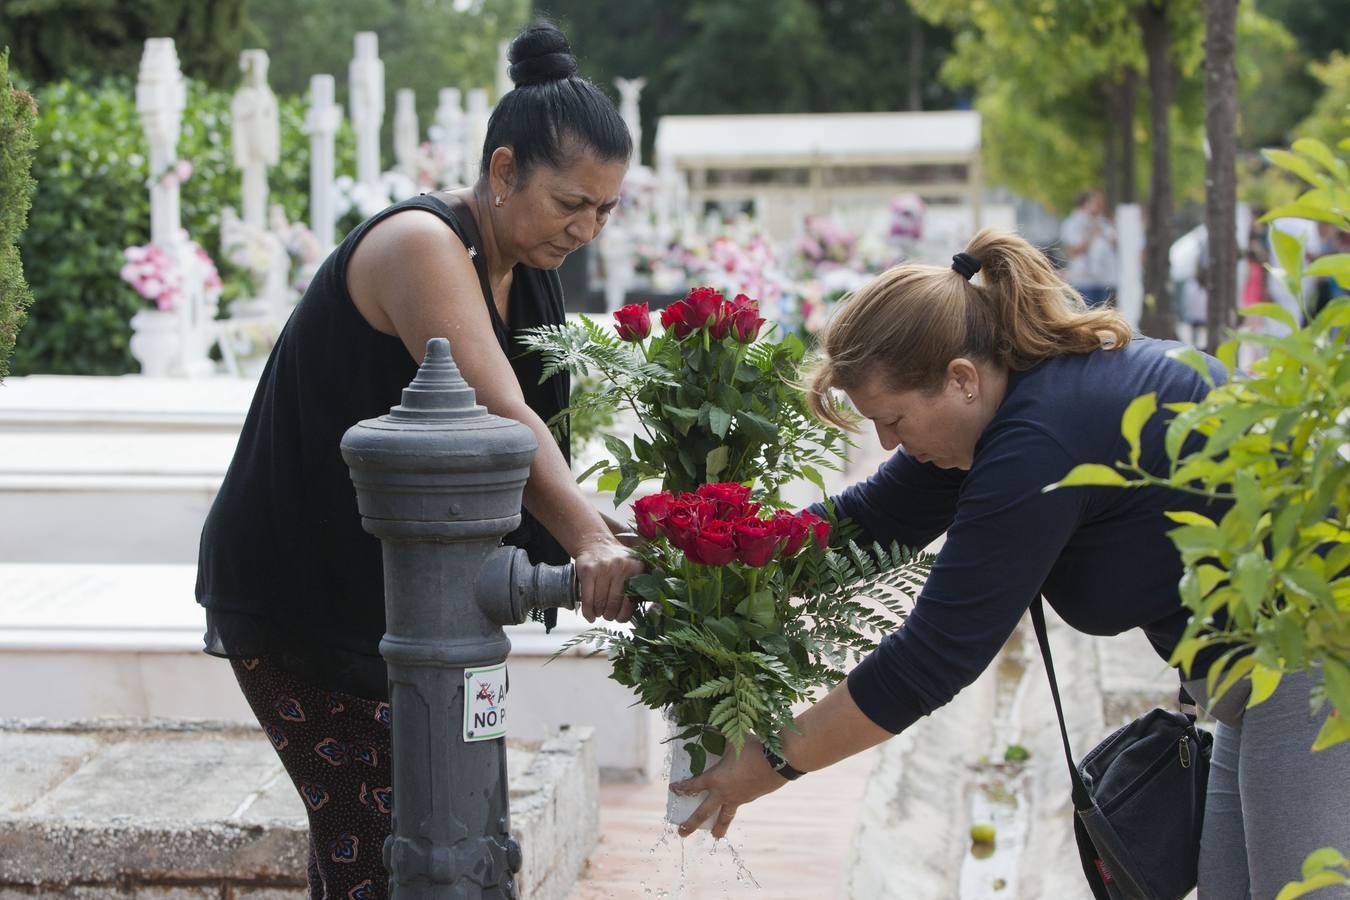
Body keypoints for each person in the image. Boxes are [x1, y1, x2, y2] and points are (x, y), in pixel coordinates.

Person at [671, 228, 1350, 898]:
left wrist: (771, 763)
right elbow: (863, 524)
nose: (887, 442)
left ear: (960, 378)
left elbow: (932, 658)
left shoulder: (1039, 439)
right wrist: (702, 556)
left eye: (894, 420)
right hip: (1254, 686)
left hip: (1314, 664)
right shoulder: (1006, 403)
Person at [195, 22, 643, 897]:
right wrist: (588, 539)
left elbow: (531, 435)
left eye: (606, 209)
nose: (587, 229)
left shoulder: (529, 262)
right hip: (309, 597)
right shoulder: (421, 245)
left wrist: (605, 527)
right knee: (389, 849)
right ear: (504, 169)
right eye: (571, 204)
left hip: (420, 607)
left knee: (415, 843)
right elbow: (503, 413)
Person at [1060, 188, 1118, 307]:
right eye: (1096, 202)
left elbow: (1114, 245)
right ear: (1086, 203)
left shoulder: (1103, 222)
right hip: (1084, 280)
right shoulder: (1073, 223)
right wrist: (1091, 235)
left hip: (1103, 280)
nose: (1101, 205)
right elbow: (1072, 251)